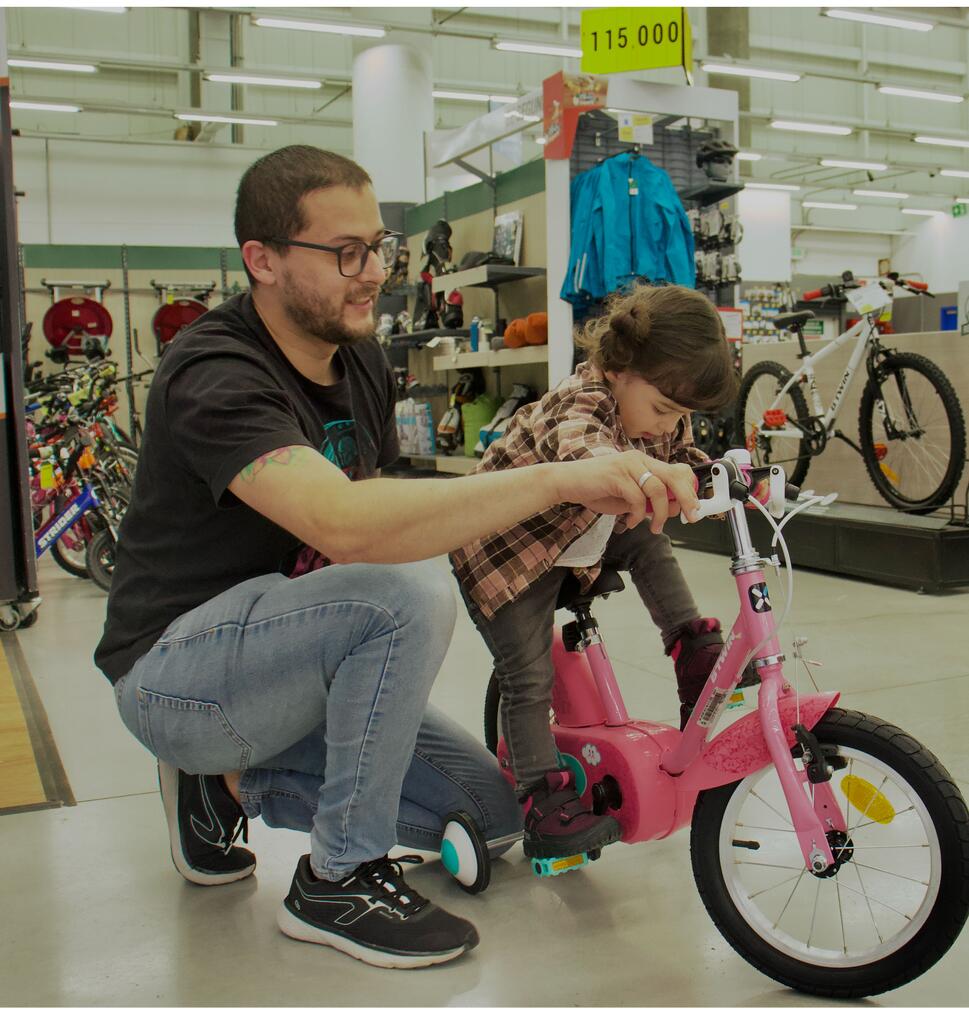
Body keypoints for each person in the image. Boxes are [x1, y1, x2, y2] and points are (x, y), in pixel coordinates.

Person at [94, 145, 701, 970]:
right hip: (179, 677)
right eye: (345, 252)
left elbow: (384, 514)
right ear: (261, 260)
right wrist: (560, 478)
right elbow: (345, 525)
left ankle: (227, 786)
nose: (372, 271)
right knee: (402, 593)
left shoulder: (363, 365)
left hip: (296, 662)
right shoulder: (213, 369)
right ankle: (336, 880)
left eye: (377, 247)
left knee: (493, 816)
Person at [451, 284, 738, 862]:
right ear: (619, 368)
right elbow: (587, 454)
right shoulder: (579, 400)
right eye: (663, 410)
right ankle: (539, 797)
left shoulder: (659, 415)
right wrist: (645, 474)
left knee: (648, 541)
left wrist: (722, 478)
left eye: (682, 416)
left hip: (577, 537)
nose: (667, 428)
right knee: (526, 677)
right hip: (508, 555)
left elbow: (681, 459)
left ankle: (693, 647)